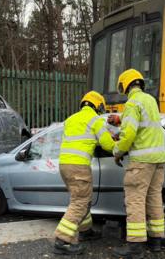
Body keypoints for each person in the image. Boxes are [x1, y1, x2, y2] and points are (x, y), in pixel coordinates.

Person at [112, 69, 165, 259]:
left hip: (141, 162)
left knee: (135, 200)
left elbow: (129, 134)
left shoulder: (132, 103)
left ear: (125, 85)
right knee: (154, 199)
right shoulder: (151, 100)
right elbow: (145, 128)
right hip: (159, 160)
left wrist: (117, 151)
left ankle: (135, 247)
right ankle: (156, 241)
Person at [53, 91, 115, 255]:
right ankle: (62, 241)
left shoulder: (71, 119)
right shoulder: (95, 120)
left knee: (82, 199)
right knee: (80, 201)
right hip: (79, 166)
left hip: (64, 165)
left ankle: (86, 231)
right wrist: (121, 145)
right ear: (98, 105)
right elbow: (107, 144)